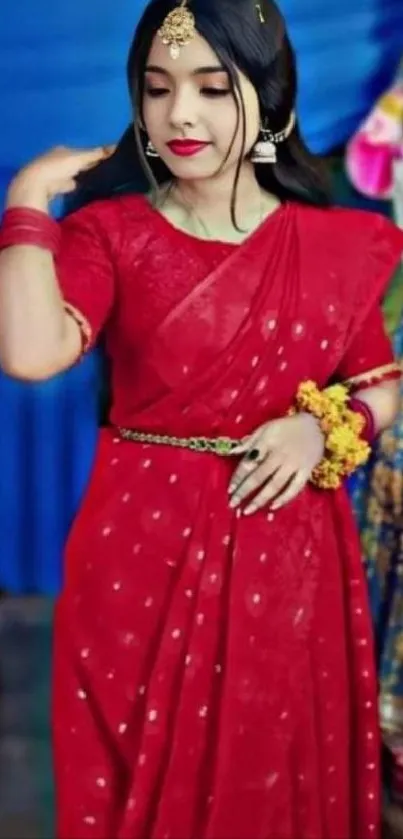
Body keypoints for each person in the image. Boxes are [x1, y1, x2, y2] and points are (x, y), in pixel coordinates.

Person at [0, 1, 402, 836]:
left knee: (271, 770)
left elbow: (380, 383)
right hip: (138, 548)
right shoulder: (113, 234)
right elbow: (32, 353)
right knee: (126, 779)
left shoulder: (330, 246)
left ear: (271, 100)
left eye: (213, 88)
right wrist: (29, 200)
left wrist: (322, 430)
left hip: (284, 544)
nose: (179, 112)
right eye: (157, 88)